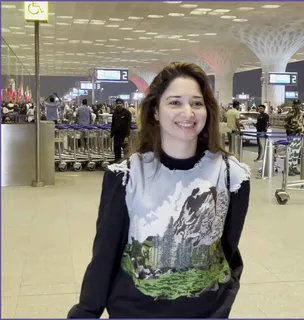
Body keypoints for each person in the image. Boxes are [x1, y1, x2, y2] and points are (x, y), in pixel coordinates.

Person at [67, 62, 251, 319]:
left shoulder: (233, 175)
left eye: (196, 103)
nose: (188, 113)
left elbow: (228, 247)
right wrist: (87, 310)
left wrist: (224, 292)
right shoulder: (126, 176)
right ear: (155, 111)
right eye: (175, 102)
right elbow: (105, 255)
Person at [284, 99, 304, 176]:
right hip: (292, 135)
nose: (297, 106)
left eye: (299, 104)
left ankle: (294, 167)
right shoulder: (289, 114)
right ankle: (288, 168)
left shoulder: (302, 114)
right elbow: (285, 124)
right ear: (293, 105)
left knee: (296, 152)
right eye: (296, 104)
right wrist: (292, 129)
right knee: (290, 152)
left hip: (299, 135)